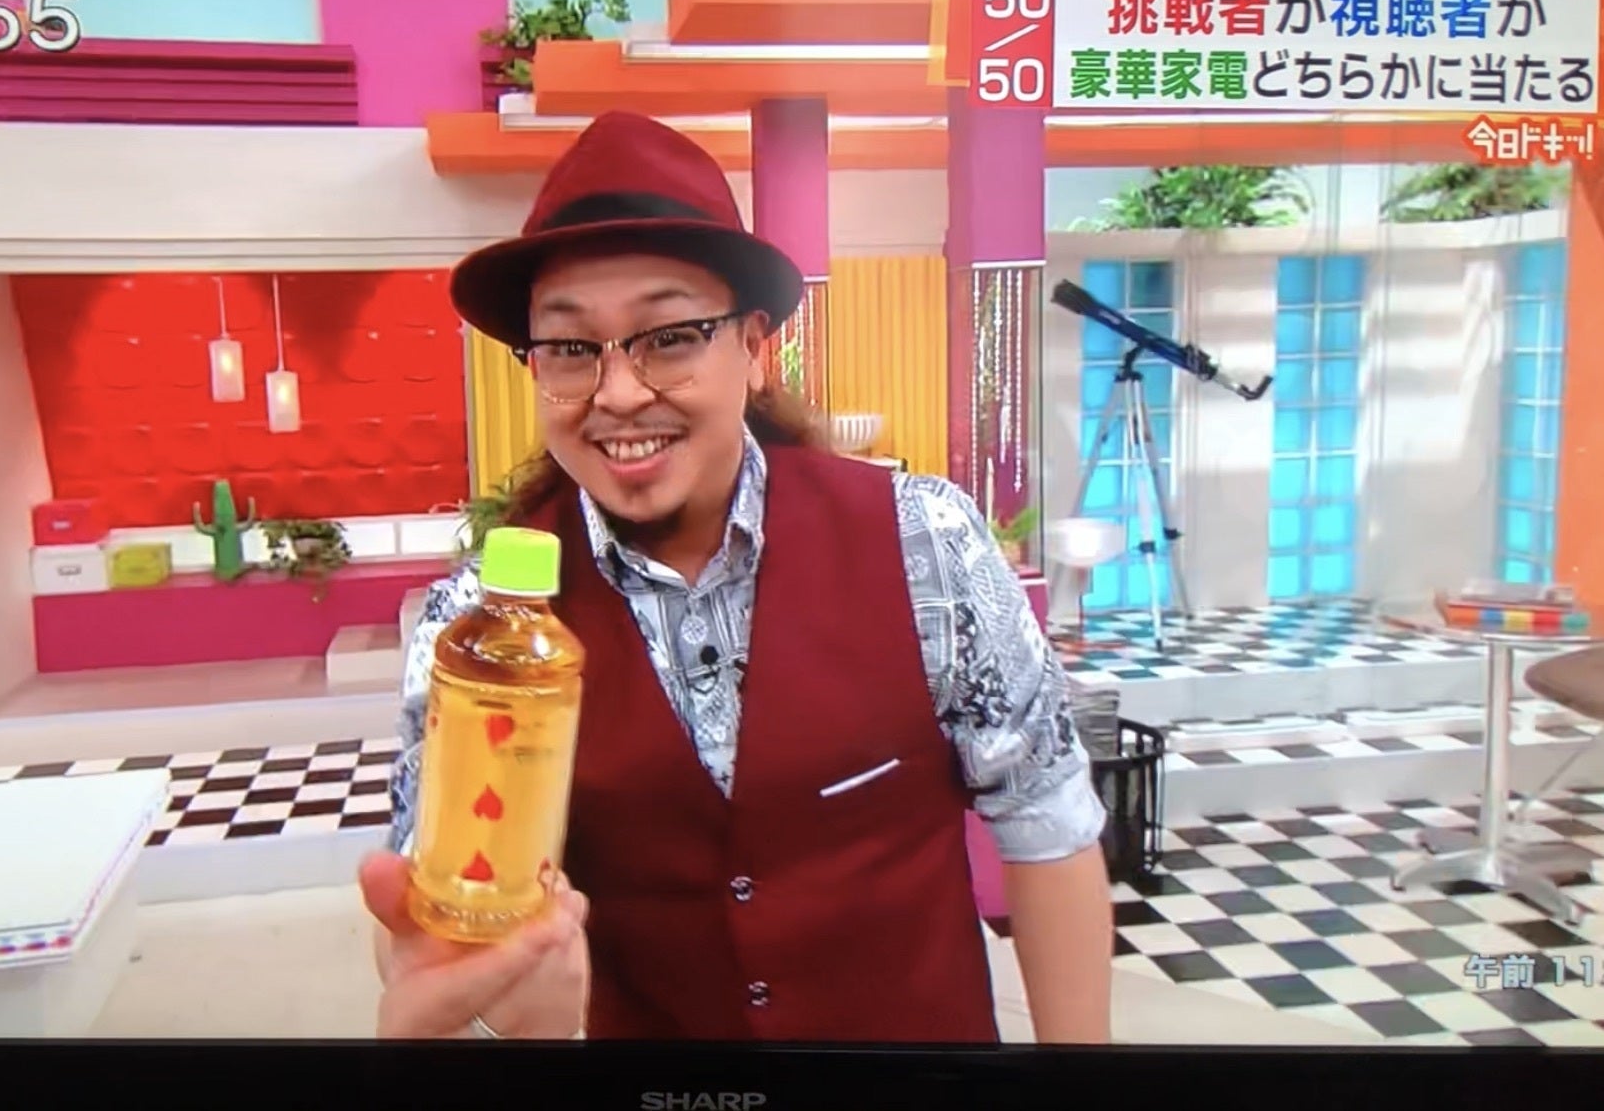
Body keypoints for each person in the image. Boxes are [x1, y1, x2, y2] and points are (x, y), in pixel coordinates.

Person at [360, 111, 1112, 1044]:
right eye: (570, 349)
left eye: (670, 336)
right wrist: (483, 995)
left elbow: (1046, 820)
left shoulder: (926, 542)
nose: (618, 393)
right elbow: (440, 896)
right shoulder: (480, 627)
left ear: (755, 350)